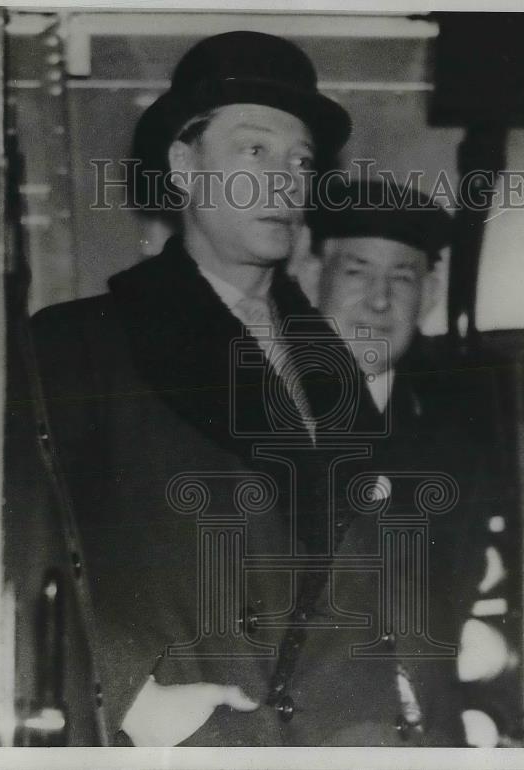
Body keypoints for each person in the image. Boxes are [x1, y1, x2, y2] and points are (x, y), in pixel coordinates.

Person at [29, 32, 452, 747]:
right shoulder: (82, 345)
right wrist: (130, 693)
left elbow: (355, 582)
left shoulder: (334, 364)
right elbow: (24, 546)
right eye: (255, 152)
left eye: (301, 161)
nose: (286, 181)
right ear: (184, 165)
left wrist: (380, 722)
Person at [301, 177, 519, 745]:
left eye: (402, 279)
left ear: (430, 293)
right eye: (357, 273)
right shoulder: (257, 421)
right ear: (308, 277)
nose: (379, 301)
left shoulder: (456, 437)